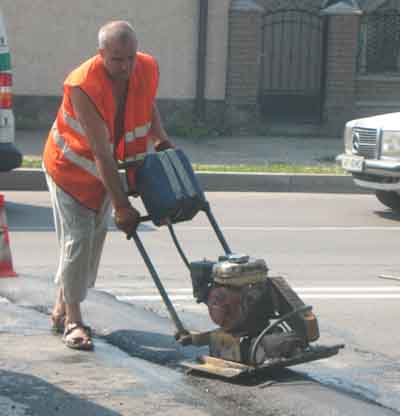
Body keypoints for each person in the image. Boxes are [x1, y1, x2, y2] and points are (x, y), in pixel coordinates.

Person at [43, 20, 174, 351]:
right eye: (117, 59)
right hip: (70, 168)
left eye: (130, 57)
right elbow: (101, 151)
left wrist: (162, 140)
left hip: (105, 172)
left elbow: (148, 104)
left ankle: (62, 304)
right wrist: (121, 206)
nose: (126, 66)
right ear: (101, 54)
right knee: (78, 240)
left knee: (93, 243)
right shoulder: (82, 84)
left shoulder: (144, 68)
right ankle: (73, 320)